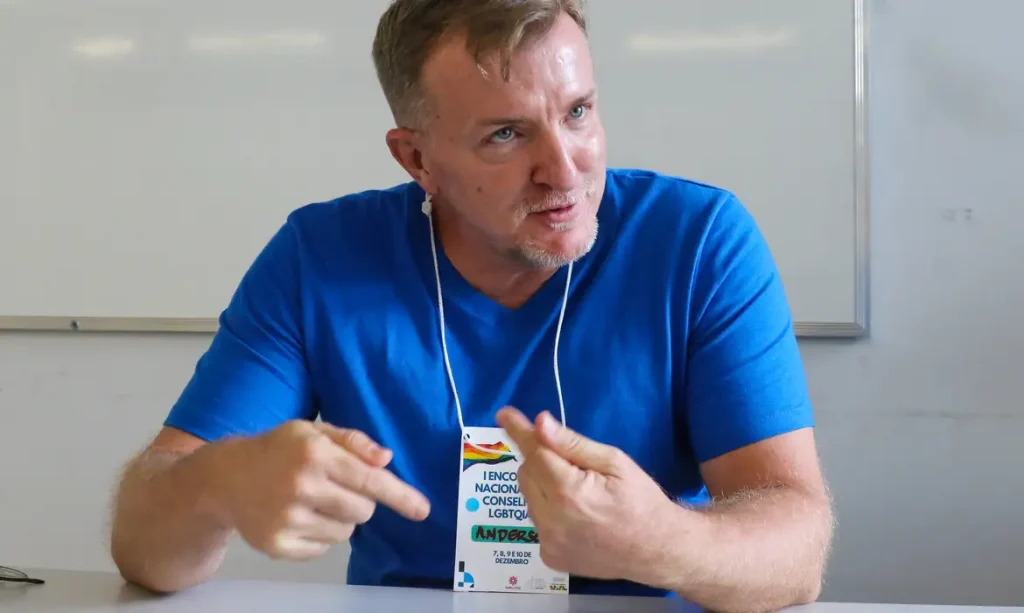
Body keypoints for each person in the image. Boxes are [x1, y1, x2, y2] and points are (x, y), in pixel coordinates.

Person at [108, 1, 834, 611]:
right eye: (506, 135)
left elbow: (797, 552)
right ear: (417, 159)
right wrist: (218, 484)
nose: (565, 170)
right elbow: (142, 549)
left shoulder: (697, 241)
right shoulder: (319, 258)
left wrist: (661, 541)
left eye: (578, 112)